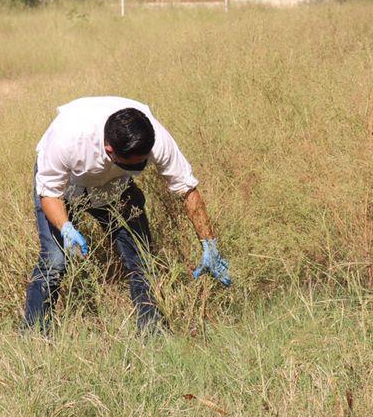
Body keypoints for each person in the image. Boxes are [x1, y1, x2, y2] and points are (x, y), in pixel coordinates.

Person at [25, 96, 231, 332]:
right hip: (65, 187)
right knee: (55, 260)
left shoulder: (155, 138)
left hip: (115, 187)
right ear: (109, 150)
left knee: (141, 258)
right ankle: (33, 333)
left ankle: (151, 332)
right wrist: (66, 227)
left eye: (141, 164)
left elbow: (187, 189)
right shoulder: (67, 138)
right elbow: (50, 193)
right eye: (132, 165)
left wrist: (209, 243)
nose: (139, 168)